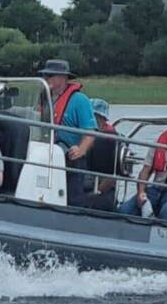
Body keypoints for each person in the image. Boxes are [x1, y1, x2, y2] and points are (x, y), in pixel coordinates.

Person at [38, 59, 96, 207]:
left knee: (72, 198)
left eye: (50, 75)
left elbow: (90, 132)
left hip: (70, 156)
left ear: (63, 78)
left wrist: (81, 149)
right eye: (45, 76)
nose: (47, 79)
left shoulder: (79, 100)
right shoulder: (45, 99)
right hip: (46, 154)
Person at [83, 98, 124, 211]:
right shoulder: (83, 134)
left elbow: (112, 177)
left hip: (103, 189)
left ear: (103, 118)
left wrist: (97, 192)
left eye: (94, 116)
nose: (90, 119)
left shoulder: (112, 141)